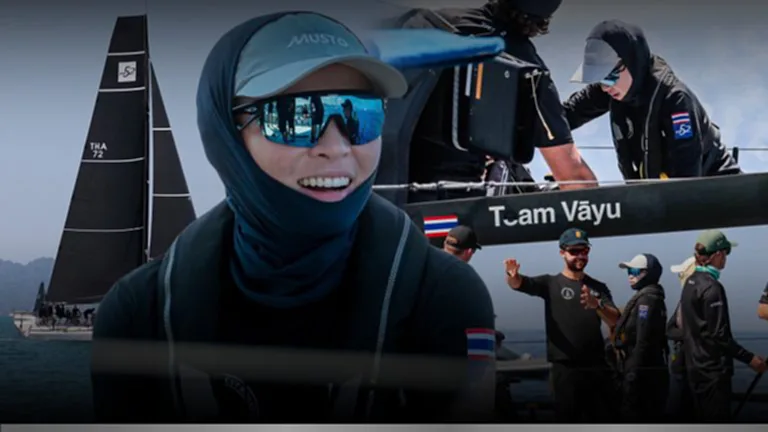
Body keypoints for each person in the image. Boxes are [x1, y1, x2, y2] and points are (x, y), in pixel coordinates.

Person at [90, 11, 496, 423]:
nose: (336, 147)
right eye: (294, 117)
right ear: (225, 133)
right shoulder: (137, 313)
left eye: (361, 114)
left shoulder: (444, 296)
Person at [395, 0, 598, 202]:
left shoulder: (426, 20)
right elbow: (575, 178)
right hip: (448, 203)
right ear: (544, 21)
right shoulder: (528, 71)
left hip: (386, 187)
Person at [564, 20, 741, 180]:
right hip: (658, 195)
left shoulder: (676, 101)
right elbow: (566, 115)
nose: (605, 87)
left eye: (609, 77)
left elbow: (687, 178)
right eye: (599, 79)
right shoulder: (613, 88)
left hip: (718, 189)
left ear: (631, 62)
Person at [504, 228, 619, 422]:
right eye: (574, 251)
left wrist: (597, 305)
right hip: (565, 369)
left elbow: (615, 320)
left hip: (596, 367)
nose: (580, 256)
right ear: (562, 253)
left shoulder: (598, 287)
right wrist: (512, 276)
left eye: (584, 251)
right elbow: (519, 284)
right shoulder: (550, 283)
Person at [679, 229, 767, 421]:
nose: (726, 258)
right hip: (713, 374)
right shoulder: (712, 288)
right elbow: (720, 335)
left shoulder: (690, 283)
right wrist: (751, 359)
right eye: (726, 253)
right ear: (718, 254)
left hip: (694, 370)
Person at [612, 254, 669, 422]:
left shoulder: (647, 300)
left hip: (642, 374)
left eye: (636, 271)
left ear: (649, 273)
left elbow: (643, 339)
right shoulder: (652, 297)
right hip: (647, 369)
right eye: (629, 271)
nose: (630, 276)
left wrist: (633, 373)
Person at [666, 256, 696, 421]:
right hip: (680, 365)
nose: (680, 278)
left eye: (681, 274)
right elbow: (669, 329)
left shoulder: (696, 300)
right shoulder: (682, 301)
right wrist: (690, 334)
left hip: (690, 368)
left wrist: (686, 334)